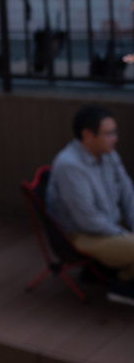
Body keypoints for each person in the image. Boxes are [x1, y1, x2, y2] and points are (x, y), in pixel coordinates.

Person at [47, 105, 134, 306]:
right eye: (109, 133)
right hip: (84, 234)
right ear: (87, 135)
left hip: (109, 223)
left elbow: (129, 195)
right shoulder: (69, 166)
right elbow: (87, 220)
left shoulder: (109, 154)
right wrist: (125, 235)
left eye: (115, 132)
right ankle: (123, 284)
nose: (115, 138)